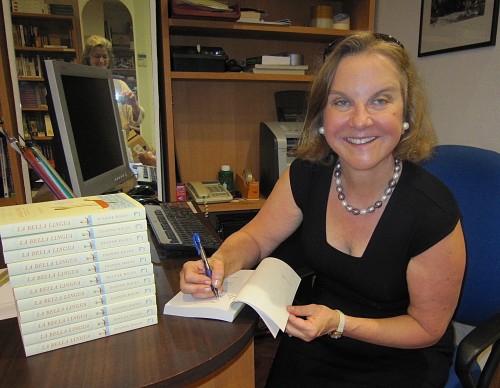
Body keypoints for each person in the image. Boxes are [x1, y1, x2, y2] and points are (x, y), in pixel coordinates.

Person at [179, 32, 466, 386]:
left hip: (398, 352)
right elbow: (254, 238)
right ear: (321, 116)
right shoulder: (308, 175)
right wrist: (219, 263)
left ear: (405, 113)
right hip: (316, 334)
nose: (360, 120)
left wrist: (339, 323)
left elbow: (426, 328)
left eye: (380, 100)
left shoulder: (431, 211)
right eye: (342, 102)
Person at [82, 35, 145, 140]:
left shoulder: (119, 85)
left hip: (120, 145)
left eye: (105, 56)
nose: (101, 61)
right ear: (88, 58)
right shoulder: (82, 86)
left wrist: (134, 105)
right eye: (97, 56)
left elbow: (137, 120)